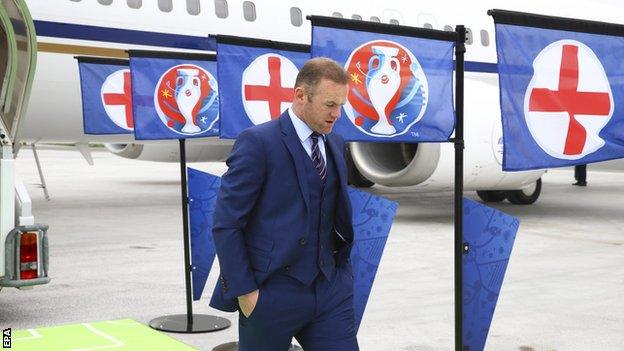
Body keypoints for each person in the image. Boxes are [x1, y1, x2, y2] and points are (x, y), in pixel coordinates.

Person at [209, 57, 358, 351]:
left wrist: (343, 277)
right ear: (301, 95)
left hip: (330, 290)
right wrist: (247, 293)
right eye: (330, 104)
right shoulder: (258, 143)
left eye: (341, 105)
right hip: (271, 292)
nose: (337, 114)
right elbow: (227, 223)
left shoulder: (336, 144)